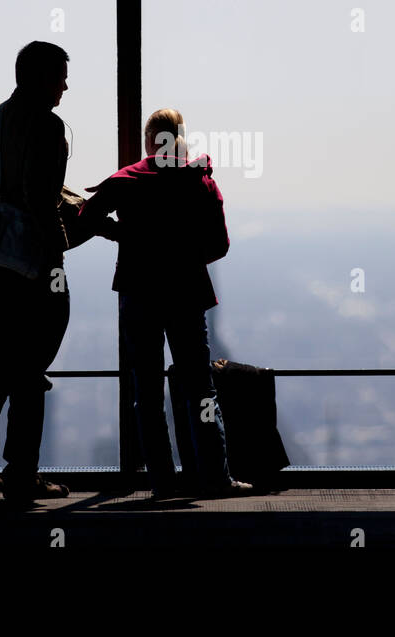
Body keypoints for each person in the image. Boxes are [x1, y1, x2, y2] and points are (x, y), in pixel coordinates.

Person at [79, 108, 252, 498]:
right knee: (199, 388)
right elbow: (220, 245)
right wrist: (185, 257)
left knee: (148, 390)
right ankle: (215, 477)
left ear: (147, 141)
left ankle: (161, 481)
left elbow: (86, 217)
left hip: (139, 292)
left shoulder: (126, 181)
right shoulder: (201, 183)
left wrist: (124, 236)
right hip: (186, 293)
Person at [0, 40, 92, 504]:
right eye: (60, 77)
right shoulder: (49, 128)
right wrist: (59, 254)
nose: (66, 87)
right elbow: (40, 200)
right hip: (37, 266)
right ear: (42, 78)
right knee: (31, 370)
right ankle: (21, 474)